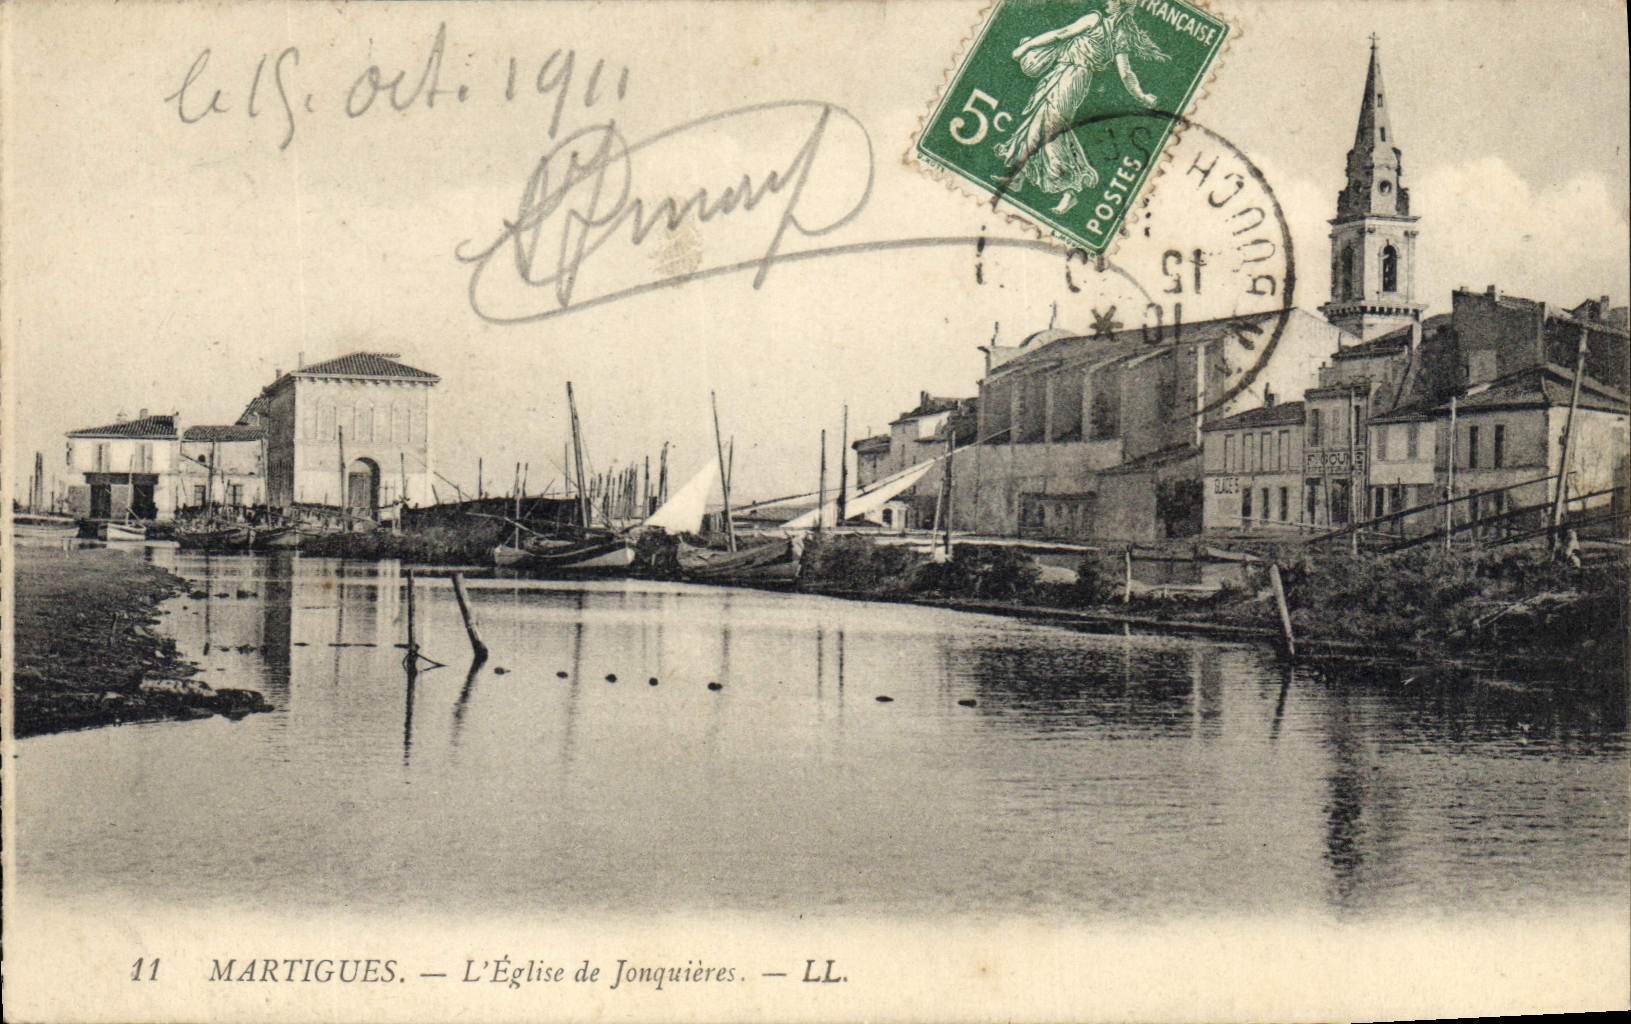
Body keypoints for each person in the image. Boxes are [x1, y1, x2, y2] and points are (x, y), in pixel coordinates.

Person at [994, 0, 1169, 213]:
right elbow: (1126, 74)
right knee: (1037, 122)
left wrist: (1026, 47)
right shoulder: (1119, 36)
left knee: (1051, 129)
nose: (1108, 1)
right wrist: (1142, 96)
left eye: (1113, 0)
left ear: (1120, 5)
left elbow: (1061, 34)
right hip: (1071, 77)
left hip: (1070, 77)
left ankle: (1071, 190)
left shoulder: (1095, 19)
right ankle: (1018, 176)